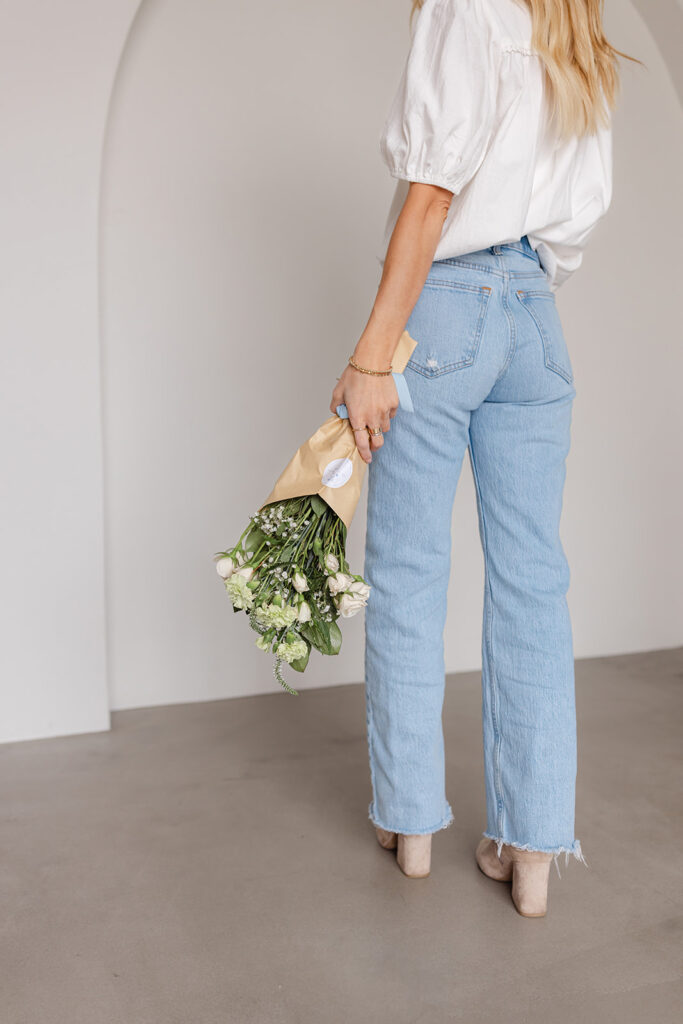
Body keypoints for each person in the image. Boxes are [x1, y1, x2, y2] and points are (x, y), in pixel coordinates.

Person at [329, 0, 638, 918]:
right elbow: (572, 219)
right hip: (537, 317)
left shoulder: (466, 7)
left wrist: (373, 352)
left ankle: (411, 821)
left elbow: (431, 195)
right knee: (533, 581)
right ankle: (532, 843)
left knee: (410, 568)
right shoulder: (577, 25)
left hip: (447, 306)